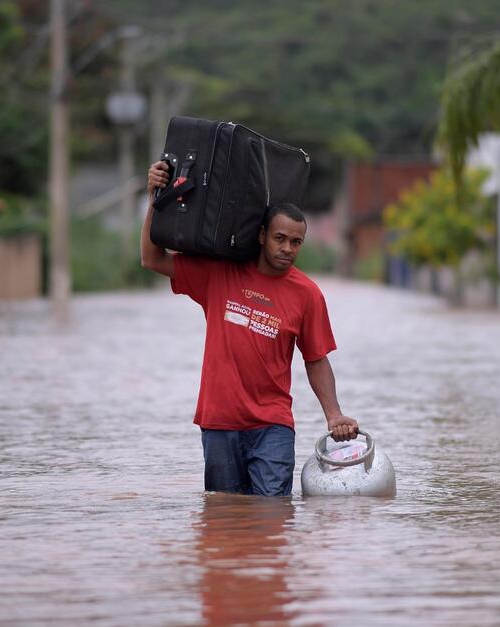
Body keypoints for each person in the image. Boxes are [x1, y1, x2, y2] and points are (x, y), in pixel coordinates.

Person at [142, 160, 359, 497]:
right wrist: (156, 198)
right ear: (262, 236)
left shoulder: (307, 294)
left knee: (272, 519)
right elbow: (152, 259)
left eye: (296, 242)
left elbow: (316, 358)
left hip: (273, 427)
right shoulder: (220, 274)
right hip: (219, 423)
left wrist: (334, 414)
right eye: (280, 238)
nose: (288, 248)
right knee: (225, 521)